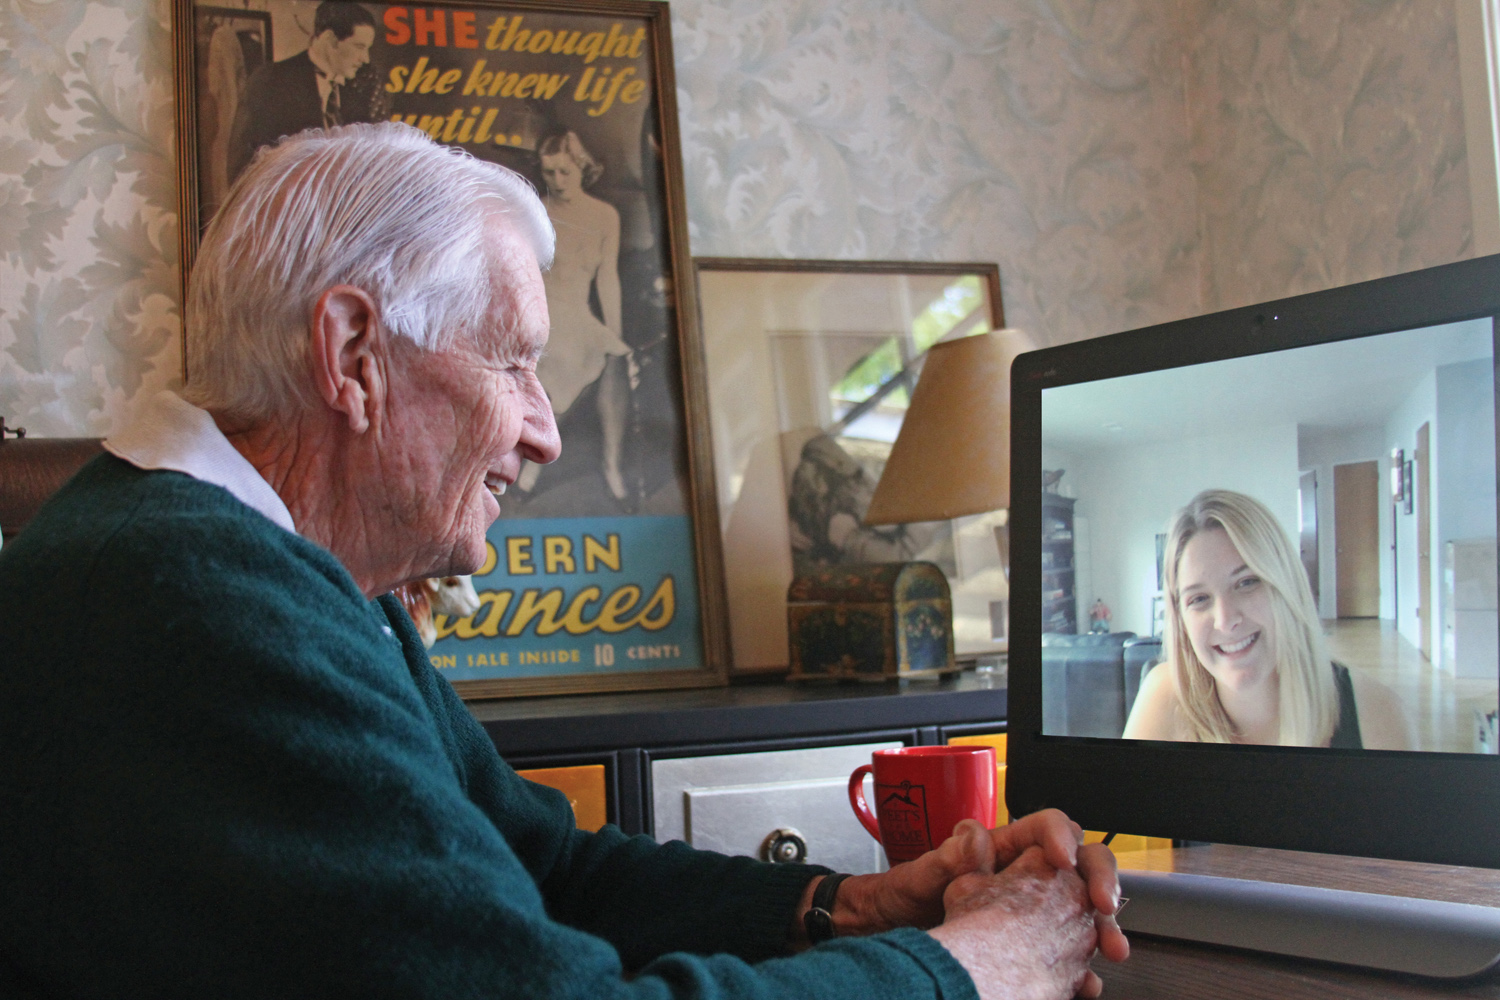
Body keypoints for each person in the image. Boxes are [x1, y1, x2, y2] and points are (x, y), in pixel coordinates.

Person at [0, 123, 1126, 999]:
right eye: (513, 365)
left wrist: (861, 902)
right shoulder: (197, 598)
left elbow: (549, 865)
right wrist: (972, 967)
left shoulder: (284, 573)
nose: (545, 430)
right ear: (352, 355)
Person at [1124, 489, 1410, 749]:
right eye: (1198, 599)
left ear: (1286, 585)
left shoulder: (1374, 712)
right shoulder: (1162, 697)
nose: (1225, 620)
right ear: (1181, 621)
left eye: (1246, 582)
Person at [520, 129, 633, 502]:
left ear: (583, 167)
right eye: (549, 172)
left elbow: (608, 278)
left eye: (565, 172)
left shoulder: (605, 216)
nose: (557, 181)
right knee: (567, 359)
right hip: (540, 315)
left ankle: (612, 465)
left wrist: (617, 335)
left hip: (578, 314)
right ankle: (535, 459)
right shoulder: (535, 210)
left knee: (614, 361)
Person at [226, 1, 377, 184]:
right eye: (360, 47)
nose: (365, 59)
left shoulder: (359, 87)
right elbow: (243, 166)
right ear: (330, 39)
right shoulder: (271, 80)